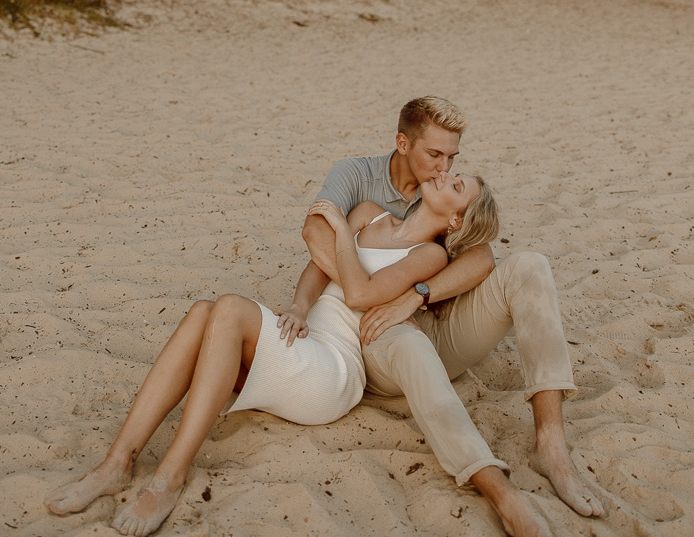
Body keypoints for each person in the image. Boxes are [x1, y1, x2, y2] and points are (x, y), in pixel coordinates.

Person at [45, 166, 496, 537]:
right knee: (204, 311)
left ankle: (169, 476)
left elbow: (359, 295)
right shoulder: (371, 214)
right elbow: (319, 270)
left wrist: (341, 231)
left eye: (457, 186)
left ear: (456, 221)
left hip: (335, 369)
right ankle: (116, 464)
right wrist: (299, 306)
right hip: (306, 339)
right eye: (452, 173)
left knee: (229, 307)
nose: (446, 175)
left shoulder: (430, 257)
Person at [302, 96, 604, 537]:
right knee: (406, 340)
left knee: (531, 266)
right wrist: (367, 293)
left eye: (452, 158)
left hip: (435, 322)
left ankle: (551, 446)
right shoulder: (358, 178)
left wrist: (415, 295)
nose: (444, 167)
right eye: (435, 155)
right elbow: (315, 232)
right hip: (380, 332)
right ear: (404, 145)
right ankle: (497, 488)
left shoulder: (446, 199)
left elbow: (482, 259)